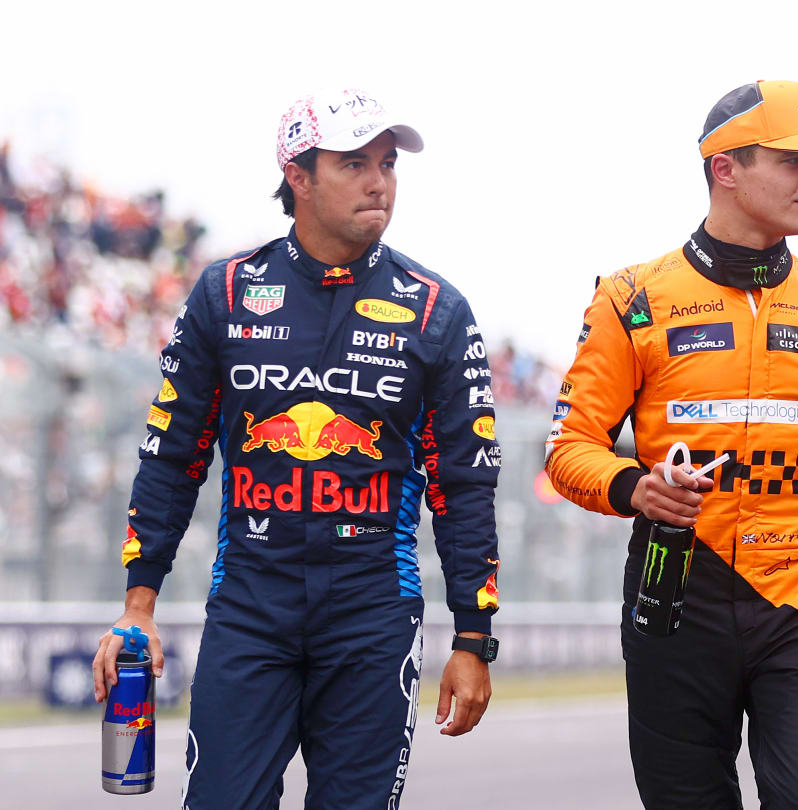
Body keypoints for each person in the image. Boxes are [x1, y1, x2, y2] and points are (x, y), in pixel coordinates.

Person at [91, 88, 504, 809]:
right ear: (299, 178)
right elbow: (170, 456)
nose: (379, 181)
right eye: (354, 164)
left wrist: (474, 636)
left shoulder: (438, 309)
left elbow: (463, 485)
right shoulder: (225, 292)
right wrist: (138, 606)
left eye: (387, 164)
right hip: (251, 603)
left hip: (374, 609)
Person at [545, 79, 798, 809]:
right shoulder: (631, 297)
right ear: (726, 168)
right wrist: (634, 487)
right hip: (673, 593)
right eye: (796, 160)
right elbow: (569, 446)